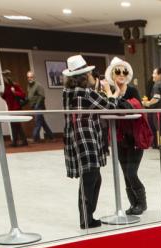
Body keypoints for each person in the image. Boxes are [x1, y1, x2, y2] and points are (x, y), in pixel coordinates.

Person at [61, 55, 129, 229]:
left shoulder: (68, 92)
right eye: (90, 74)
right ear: (85, 76)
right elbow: (110, 106)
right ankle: (86, 218)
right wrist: (114, 92)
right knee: (91, 180)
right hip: (87, 138)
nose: (93, 76)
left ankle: (87, 216)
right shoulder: (85, 93)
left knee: (92, 179)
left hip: (75, 138)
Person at [107, 57, 149, 215]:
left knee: (131, 172)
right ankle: (133, 204)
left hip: (135, 138)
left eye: (124, 71)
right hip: (119, 138)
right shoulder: (109, 91)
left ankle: (142, 203)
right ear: (112, 74)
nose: (121, 74)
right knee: (125, 173)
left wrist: (118, 98)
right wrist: (114, 93)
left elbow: (133, 108)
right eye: (118, 71)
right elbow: (108, 109)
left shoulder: (132, 91)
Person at [0, 71, 28, 146]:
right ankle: (15, 142)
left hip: (16, 108)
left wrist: (15, 92)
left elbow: (23, 95)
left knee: (17, 124)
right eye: (3, 76)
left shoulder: (15, 85)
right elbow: (7, 98)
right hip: (10, 108)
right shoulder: (6, 86)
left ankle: (23, 141)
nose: (4, 78)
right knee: (13, 125)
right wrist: (2, 96)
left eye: (5, 76)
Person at [24, 70, 52, 143]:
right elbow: (30, 96)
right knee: (42, 122)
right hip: (34, 106)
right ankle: (51, 136)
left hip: (39, 107)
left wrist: (37, 105)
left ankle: (35, 138)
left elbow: (42, 96)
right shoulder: (29, 86)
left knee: (37, 122)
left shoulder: (38, 85)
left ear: (34, 77)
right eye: (28, 77)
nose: (30, 78)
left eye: (31, 77)